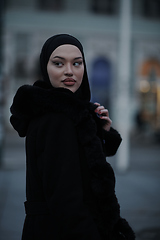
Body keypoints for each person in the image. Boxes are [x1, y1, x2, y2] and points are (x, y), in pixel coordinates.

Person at [10, 34, 135, 240]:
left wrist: (101, 132)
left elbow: (81, 162)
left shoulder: (60, 114)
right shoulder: (57, 119)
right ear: (45, 67)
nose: (70, 71)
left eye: (77, 63)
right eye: (58, 63)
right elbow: (66, 203)